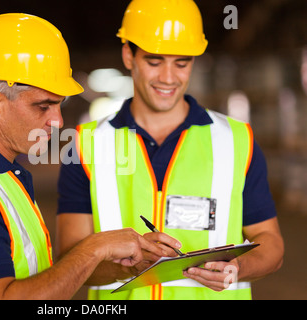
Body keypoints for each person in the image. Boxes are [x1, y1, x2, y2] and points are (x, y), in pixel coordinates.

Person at [0, 13, 177, 300]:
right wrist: (94, 248)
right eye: (43, 106)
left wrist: (126, 266)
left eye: (59, 105)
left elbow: (37, 281)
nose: (57, 121)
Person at [56, 0, 284, 300]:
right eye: (154, 60)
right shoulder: (86, 144)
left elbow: (271, 243)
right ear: (128, 55)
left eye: (182, 62)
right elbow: (70, 260)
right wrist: (131, 264)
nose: (168, 77)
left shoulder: (236, 140)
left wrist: (238, 267)